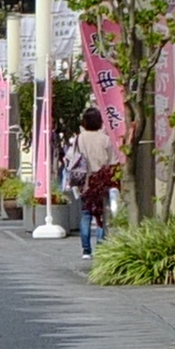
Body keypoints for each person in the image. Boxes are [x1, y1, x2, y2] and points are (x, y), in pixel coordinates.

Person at [73, 108, 123, 259]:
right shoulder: (106, 139)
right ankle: (101, 246)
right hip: (102, 181)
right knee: (102, 215)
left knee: (86, 214)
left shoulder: (79, 138)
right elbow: (114, 162)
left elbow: (73, 159)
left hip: (85, 181)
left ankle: (86, 250)